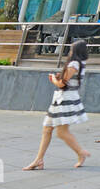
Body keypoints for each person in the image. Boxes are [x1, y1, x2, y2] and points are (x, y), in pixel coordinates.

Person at [23, 40, 91, 170]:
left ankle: (81, 152)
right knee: (47, 128)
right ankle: (39, 160)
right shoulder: (80, 63)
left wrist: (54, 79)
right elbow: (67, 80)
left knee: (61, 132)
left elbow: (62, 84)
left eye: (71, 49)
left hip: (65, 100)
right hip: (63, 99)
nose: (70, 51)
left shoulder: (74, 63)